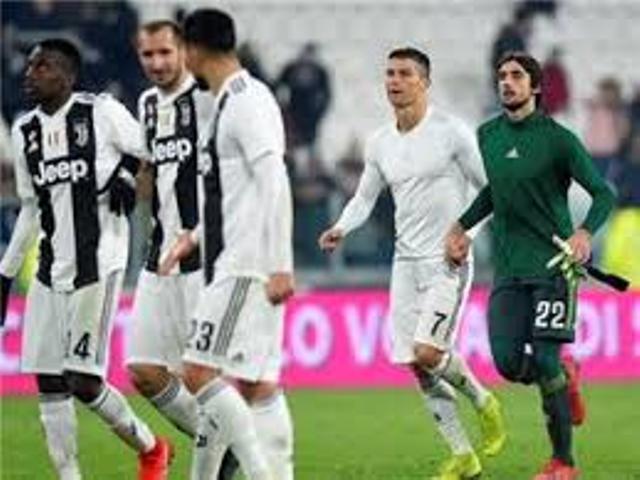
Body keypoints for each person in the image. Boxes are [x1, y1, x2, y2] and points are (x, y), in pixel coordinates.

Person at [318, 47, 506, 480]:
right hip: (405, 263)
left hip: (446, 260)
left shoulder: (451, 132)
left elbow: (491, 190)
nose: (394, 81)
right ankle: (463, 456)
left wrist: (466, 235)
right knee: (415, 363)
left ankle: (484, 401)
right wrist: (341, 227)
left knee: (428, 352)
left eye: (404, 73)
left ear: (425, 82)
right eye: (390, 73)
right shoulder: (380, 142)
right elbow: (364, 197)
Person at [0, 39, 171, 479]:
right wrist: (4, 275)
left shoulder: (102, 111)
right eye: (30, 65)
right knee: (48, 381)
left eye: (43, 66)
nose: (30, 73)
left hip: (98, 262)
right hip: (49, 269)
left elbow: (151, 147)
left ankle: (152, 448)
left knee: (82, 381)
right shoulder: (24, 131)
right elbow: (30, 208)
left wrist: (126, 174)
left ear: (67, 76)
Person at [446, 51, 616, 480]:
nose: (507, 82)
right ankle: (565, 375)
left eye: (517, 76)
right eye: (502, 75)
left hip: (554, 267)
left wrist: (584, 234)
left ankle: (563, 462)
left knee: (543, 359)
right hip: (508, 269)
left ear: (536, 86)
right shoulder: (487, 135)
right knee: (506, 363)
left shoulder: (558, 139)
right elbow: (495, 192)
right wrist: (461, 227)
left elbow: (603, 193)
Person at [159, 8, 295, 480]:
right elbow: (234, 194)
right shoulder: (226, 103)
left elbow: (274, 178)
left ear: (194, 50)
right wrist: (194, 238)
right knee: (257, 384)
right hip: (232, 257)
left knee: (197, 371)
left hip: (245, 262)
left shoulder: (246, 102)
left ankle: (260, 474)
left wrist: (280, 264)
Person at [126, 20, 213, 443]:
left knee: (201, 375)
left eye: (165, 52)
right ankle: (221, 442)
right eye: (148, 54)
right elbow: (147, 172)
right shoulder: (145, 103)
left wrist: (199, 233)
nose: (157, 62)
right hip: (158, 257)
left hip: (202, 258)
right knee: (143, 371)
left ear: (183, 51)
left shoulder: (207, 99)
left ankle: (235, 452)